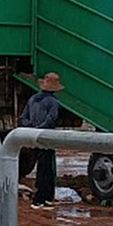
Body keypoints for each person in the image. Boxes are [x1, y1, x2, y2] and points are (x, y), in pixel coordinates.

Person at [20, 72, 63, 209]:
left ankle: (39, 198)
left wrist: (32, 128)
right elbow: (51, 119)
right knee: (47, 168)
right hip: (46, 138)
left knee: (40, 166)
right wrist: (41, 129)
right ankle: (44, 199)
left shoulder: (33, 99)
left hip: (33, 137)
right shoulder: (53, 102)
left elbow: (24, 117)